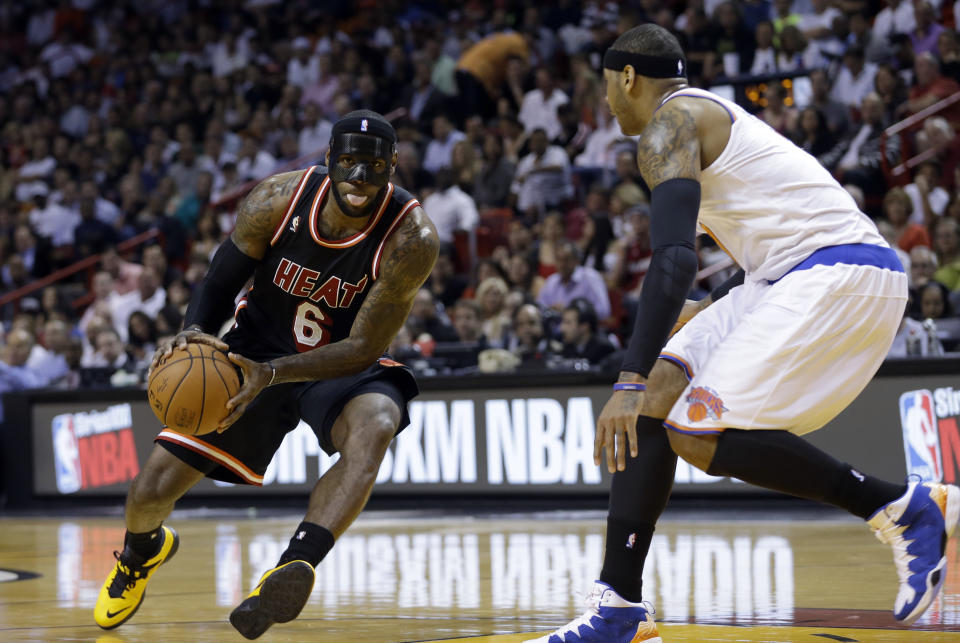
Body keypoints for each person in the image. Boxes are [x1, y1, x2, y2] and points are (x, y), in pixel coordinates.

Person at [531, 25, 956, 643]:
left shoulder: (669, 124)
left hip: (840, 267)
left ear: (626, 78)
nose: (605, 104)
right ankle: (618, 604)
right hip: (780, 274)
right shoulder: (701, 117)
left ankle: (899, 506)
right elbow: (755, 231)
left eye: (605, 88)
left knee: (694, 429)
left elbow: (672, 259)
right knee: (661, 392)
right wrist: (696, 317)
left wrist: (624, 376)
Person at [93, 111, 439, 639]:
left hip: (339, 361)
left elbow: (365, 346)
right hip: (252, 347)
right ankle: (143, 553)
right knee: (148, 493)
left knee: (376, 423)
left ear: (392, 167)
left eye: (373, 167)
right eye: (348, 163)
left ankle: (292, 565)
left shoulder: (410, 236)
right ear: (327, 159)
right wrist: (195, 333)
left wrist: (274, 373)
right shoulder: (278, 199)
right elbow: (220, 277)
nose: (359, 179)